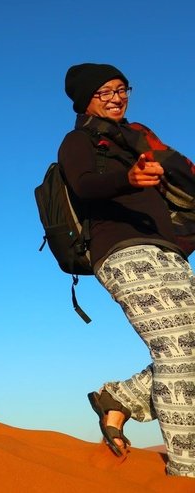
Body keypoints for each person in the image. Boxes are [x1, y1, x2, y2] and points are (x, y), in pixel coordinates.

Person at [59, 63, 195, 477]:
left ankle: (119, 399)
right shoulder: (78, 141)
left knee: (188, 348)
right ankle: (186, 471)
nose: (117, 97)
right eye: (105, 92)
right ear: (85, 99)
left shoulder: (141, 140)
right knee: (178, 353)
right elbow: (84, 184)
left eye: (122, 89)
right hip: (121, 251)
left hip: (166, 251)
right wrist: (128, 178)